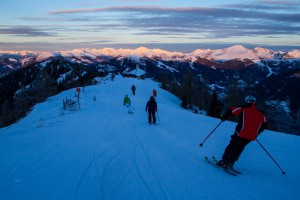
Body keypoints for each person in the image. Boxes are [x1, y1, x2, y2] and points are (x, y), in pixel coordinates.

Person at [217, 95, 268, 169]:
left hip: (241, 132)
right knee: (239, 147)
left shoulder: (243, 108)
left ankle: (225, 162)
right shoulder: (260, 113)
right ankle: (231, 162)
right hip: (251, 135)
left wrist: (224, 117)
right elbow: (265, 125)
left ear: (247, 101)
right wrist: (256, 133)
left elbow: (232, 110)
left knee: (233, 146)